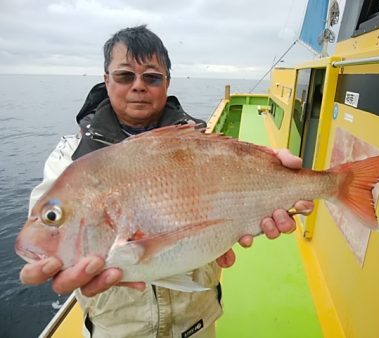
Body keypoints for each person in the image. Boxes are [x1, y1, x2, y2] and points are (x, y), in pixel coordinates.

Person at [19, 25, 314, 338]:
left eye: (152, 77)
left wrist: (274, 172)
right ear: (106, 80)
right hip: (116, 330)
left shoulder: (202, 146)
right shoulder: (70, 159)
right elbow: (45, 221)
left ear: (167, 82)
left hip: (197, 322)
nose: (138, 86)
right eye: (124, 76)